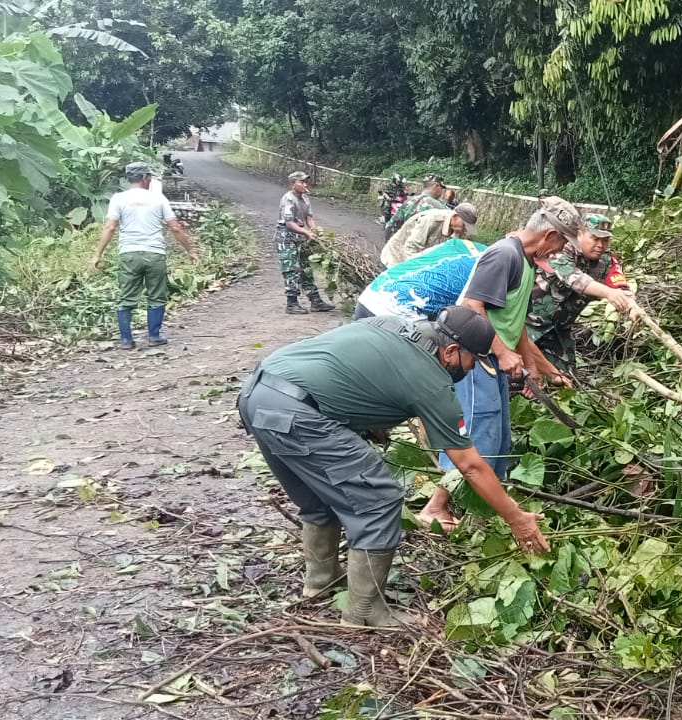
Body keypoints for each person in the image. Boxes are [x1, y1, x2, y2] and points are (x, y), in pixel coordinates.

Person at [236, 306, 549, 627]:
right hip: (298, 414)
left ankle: (321, 582)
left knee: (319, 498)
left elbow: (354, 364)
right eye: (473, 362)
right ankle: (364, 612)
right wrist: (516, 518)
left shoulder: (394, 325)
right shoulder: (431, 379)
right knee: (380, 499)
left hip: (258, 393)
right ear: (452, 351)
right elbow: (470, 465)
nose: (470, 371)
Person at [415, 197, 583, 529]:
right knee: (476, 435)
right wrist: (504, 353)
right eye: (562, 241)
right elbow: (474, 308)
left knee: (499, 438)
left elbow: (514, 320)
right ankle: (435, 506)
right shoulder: (504, 255)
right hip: (472, 356)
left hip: (491, 357)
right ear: (549, 235)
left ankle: (482, 509)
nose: (561, 249)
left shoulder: (527, 261)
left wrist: (534, 365)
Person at [87, 161, 199, 349]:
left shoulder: (118, 198)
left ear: (129, 178)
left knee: (127, 297)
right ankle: (154, 336)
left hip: (129, 254)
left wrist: (97, 254)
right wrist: (190, 251)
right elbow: (176, 228)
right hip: (155, 254)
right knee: (156, 295)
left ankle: (126, 340)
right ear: (146, 178)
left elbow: (110, 227)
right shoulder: (159, 199)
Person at [526, 213, 637, 373]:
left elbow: (621, 285)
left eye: (605, 241)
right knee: (521, 379)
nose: (600, 245)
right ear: (580, 234)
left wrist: (632, 305)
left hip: (559, 331)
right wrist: (608, 293)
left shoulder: (606, 260)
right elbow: (573, 278)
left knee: (566, 380)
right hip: (529, 326)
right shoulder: (561, 249)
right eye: (595, 238)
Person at [359, 235, 489, 321]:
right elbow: (472, 310)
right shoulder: (493, 270)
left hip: (372, 293)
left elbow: (417, 257)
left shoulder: (463, 243)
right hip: (397, 312)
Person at [277, 171, 336, 315]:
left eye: (305, 182)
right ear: (293, 184)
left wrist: (317, 232)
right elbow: (289, 223)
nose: (305, 184)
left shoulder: (305, 199)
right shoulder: (288, 199)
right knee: (291, 269)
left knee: (306, 268)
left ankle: (315, 301)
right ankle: (291, 303)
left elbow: (309, 219)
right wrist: (307, 233)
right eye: (301, 182)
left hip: (301, 236)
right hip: (286, 237)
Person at [379, 201, 480, 267]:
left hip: (418, 258)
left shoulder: (457, 228)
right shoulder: (431, 220)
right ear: (455, 216)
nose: (465, 229)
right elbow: (410, 249)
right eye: (465, 225)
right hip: (395, 259)